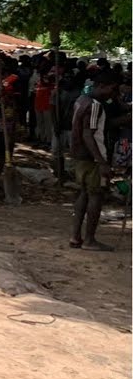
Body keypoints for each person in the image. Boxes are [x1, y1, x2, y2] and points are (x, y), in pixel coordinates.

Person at [69, 70, 121, 251]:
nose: (113, 94)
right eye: (112, 89)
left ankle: (76, 236)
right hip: (92, 157)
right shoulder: (95, 105)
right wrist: (101, 162)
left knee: (84, 193)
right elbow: (88, 134)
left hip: (80, 155)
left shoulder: (81, 100)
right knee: (96, 195)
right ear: (102, 86)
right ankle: (89, 240)